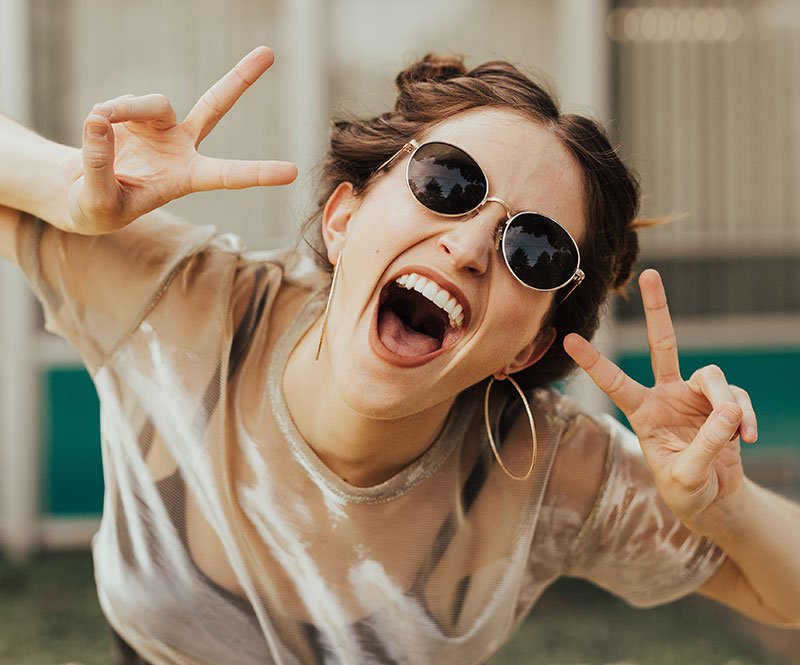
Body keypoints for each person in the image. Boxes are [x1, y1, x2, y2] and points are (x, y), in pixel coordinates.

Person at [0, 46, 798, 665]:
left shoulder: (546, 468)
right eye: (448, 182)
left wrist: (723, 508)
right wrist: (68, 187)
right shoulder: (184, 302)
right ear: (344, 217)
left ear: (527, 346)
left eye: (535, 248)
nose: (471, 246)